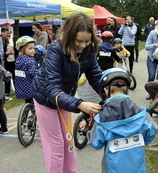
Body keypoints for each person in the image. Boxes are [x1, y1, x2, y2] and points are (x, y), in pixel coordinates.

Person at [31, 12, 103, 173]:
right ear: (70, 35)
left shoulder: (88, 51)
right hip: (46, 99)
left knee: (68, 142)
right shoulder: (56, 49)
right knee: (56, 145)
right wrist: (79, 104)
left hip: (64, 99)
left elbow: (97, 78)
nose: (83, 45)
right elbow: (51, 88)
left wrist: (112, 94)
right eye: (79, 41)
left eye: (87, 40)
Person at [87, 68, 158, 173]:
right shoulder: (141, 113)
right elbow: (153, 129)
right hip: (137, 167)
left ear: (105, 90)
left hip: (113, 168)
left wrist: (89, 133)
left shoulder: (101, 118)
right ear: (128, 90)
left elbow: (96, 143)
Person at [15, 36, 38, 104]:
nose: (33, 50)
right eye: (30, 48)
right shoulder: (30, 61)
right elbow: (34, 73)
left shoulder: (19, 59)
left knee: (28, 102)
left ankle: (25, 113)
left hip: (21, 88)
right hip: (30, 89)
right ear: (23, 50)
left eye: (33, 48)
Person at [0, 26, 16, 100]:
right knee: (5, 76)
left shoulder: (9, 40)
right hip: (3, 61)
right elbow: (0, 53)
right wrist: (6, 53)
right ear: (2, 33)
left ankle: (15, 91)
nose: (9, 34)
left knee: (13, 75)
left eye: (9, 33)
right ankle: (5, 92)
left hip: (11, 59)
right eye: (7, 33)